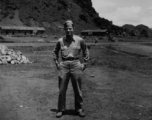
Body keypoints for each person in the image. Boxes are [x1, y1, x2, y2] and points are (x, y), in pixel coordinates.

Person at [52, 20, 89, 118]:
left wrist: (84, 64)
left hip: (76, 64)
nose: (68, 30)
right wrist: (57, 63)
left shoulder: (80, 40)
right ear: (64, 29)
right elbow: (55, 52)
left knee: (77, 89)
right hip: (63, 65)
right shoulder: (60, 41)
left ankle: (79, 109)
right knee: (62, 89)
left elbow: (86, 51)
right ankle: (60, 109)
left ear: (73, 29)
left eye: (70, 28)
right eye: (67, 28)